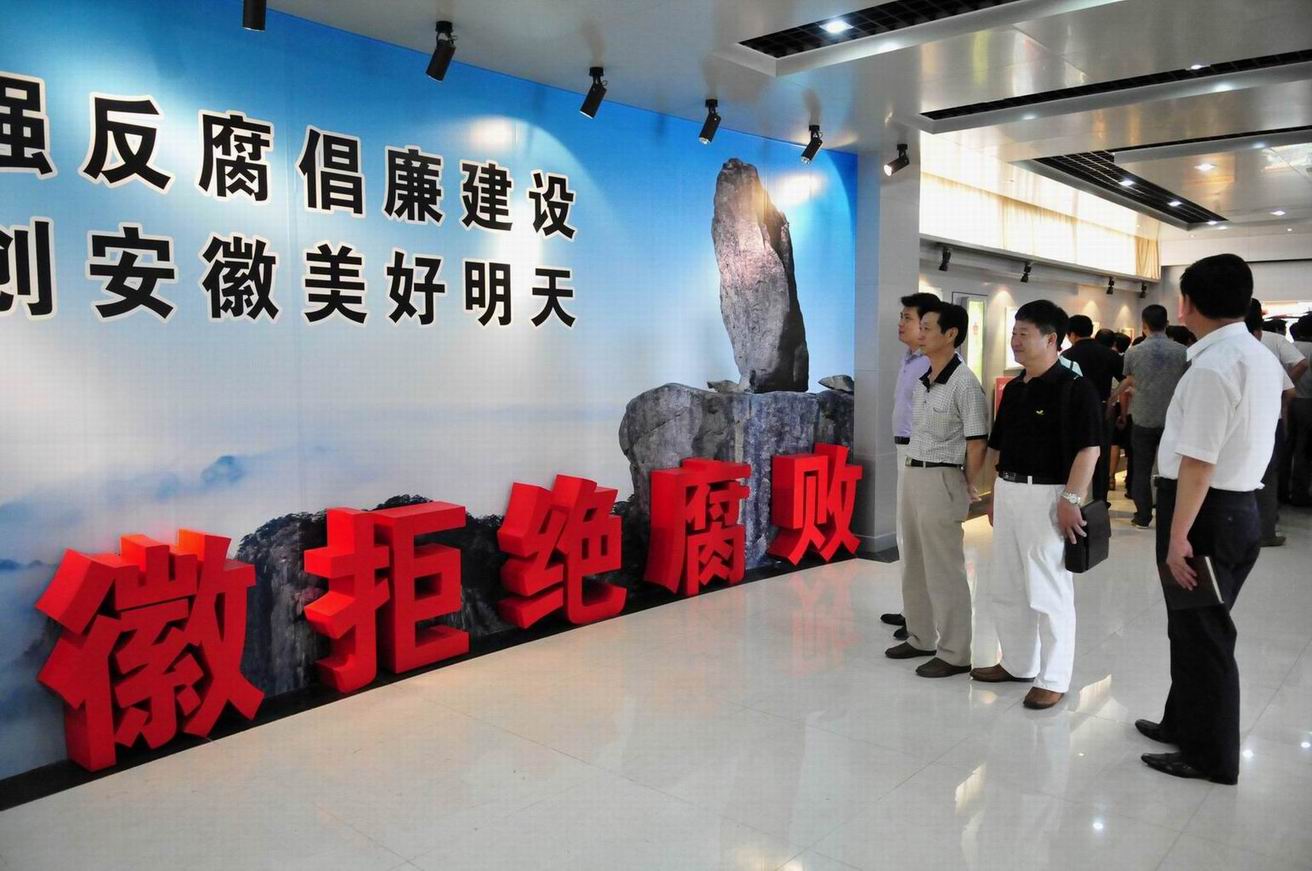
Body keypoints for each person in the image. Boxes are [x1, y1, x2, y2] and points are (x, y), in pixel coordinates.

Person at [1139, 254, 1283, 785]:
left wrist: (1178, 536)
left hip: (1205, 513)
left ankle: (1211, 756)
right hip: (1237, 509)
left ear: (1187, 304)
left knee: (1204, 636)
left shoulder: (1214, 367)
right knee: (1194, 627)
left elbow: (1199, 462)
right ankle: (1181, 722)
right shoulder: (1256, 355)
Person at [972, 300, 1102, 710]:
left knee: (1048, 588)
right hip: (1010, 490)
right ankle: (1017, 662)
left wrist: (1071, 499)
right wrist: (994, 495)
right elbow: (1000, 448)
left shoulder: (1074, 388)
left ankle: (1054, 677)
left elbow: (1089, 450)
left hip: (1048, 494)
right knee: (1007, 584)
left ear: (1051, 339)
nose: (1015, 341)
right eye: (1014, 333)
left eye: (1023, 334)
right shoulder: (1015, 389)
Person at [885, 301, 989, 678]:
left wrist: (966, 482)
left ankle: (956, 652)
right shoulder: (924, 379)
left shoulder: (964, 382)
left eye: (928, 328)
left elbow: (977, 442)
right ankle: (920, 636)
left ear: (951, 335)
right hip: (914, 472)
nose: (921, 333)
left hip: (942, 477)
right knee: (914, 561)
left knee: (944, 568)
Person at [881, 292, 937, 640]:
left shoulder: (934, 363)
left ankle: (923, 618)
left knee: (919, 538)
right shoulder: (911, 359)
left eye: (908, 318)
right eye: (901, 317)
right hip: (904, 451)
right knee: (907, 535)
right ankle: (912, 610)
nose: (901, 323)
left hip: (922, 455)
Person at [1113, 305, 1188, 528]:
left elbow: (1129, 380)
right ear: (1167, 324)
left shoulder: (1133, 352)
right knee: (1173, 470)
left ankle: (1143, 515)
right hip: (1173, 419)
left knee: (1141, 469)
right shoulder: (1183, 352)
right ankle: (1170, 515)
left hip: (1143, 417)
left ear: (1143, 325)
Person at [1249, 299, 1299, 547]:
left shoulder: (1215, 352)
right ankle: (1265, 532)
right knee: (1267, 476)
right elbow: (1290, 391)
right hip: (1268, 422)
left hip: (1235, 425)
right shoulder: (1268, 352)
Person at [1062, 314, 1122, 502]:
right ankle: (1100, 500)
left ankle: (1074, 497)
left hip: (1074, 412)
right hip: (1102, 409)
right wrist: (1112, 398)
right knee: (1101, 456)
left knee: (1075, 454)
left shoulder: (1067, 356)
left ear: (1071, 334)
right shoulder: (1109, 354)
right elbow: (1127, 379)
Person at [1289, 315, 1312, 506]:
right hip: (1307, 403)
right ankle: (1300, 493)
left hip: (1287, 401)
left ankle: (1283, 491)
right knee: (1304, 450)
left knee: (1287, 446)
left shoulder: (1289, 347)